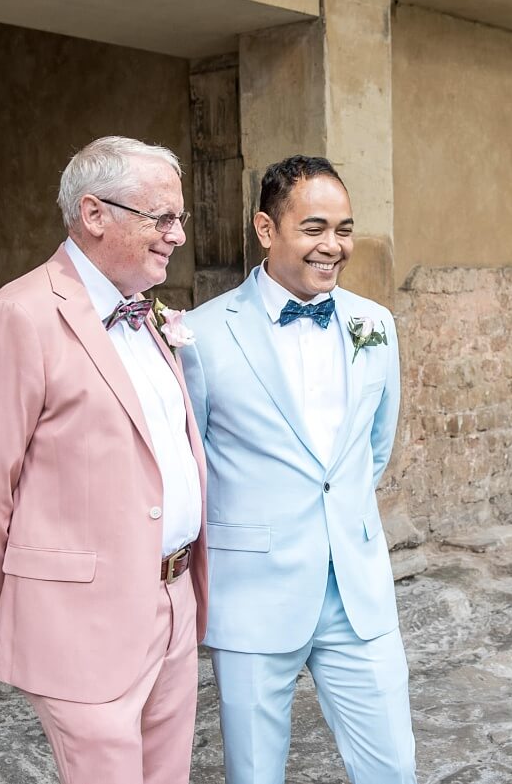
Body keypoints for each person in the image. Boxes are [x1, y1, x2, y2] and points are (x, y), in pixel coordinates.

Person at [0, 136, 209, 783]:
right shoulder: (18, 316)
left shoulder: (146, 314)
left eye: (180, 219)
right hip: (80, 624)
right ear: (94, 214)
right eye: (161, 218)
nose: (176, 234)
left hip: (173, 604)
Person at [178, 155, 416, 783]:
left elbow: (373, 450)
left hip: (356, 593)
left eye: (343, 229)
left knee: (394, 768)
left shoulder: (376, 325)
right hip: (254, 594)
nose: (333, 246)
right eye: (313, 228)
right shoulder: (200, 336)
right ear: (265, 229)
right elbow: (191, 464)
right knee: (254, 774)